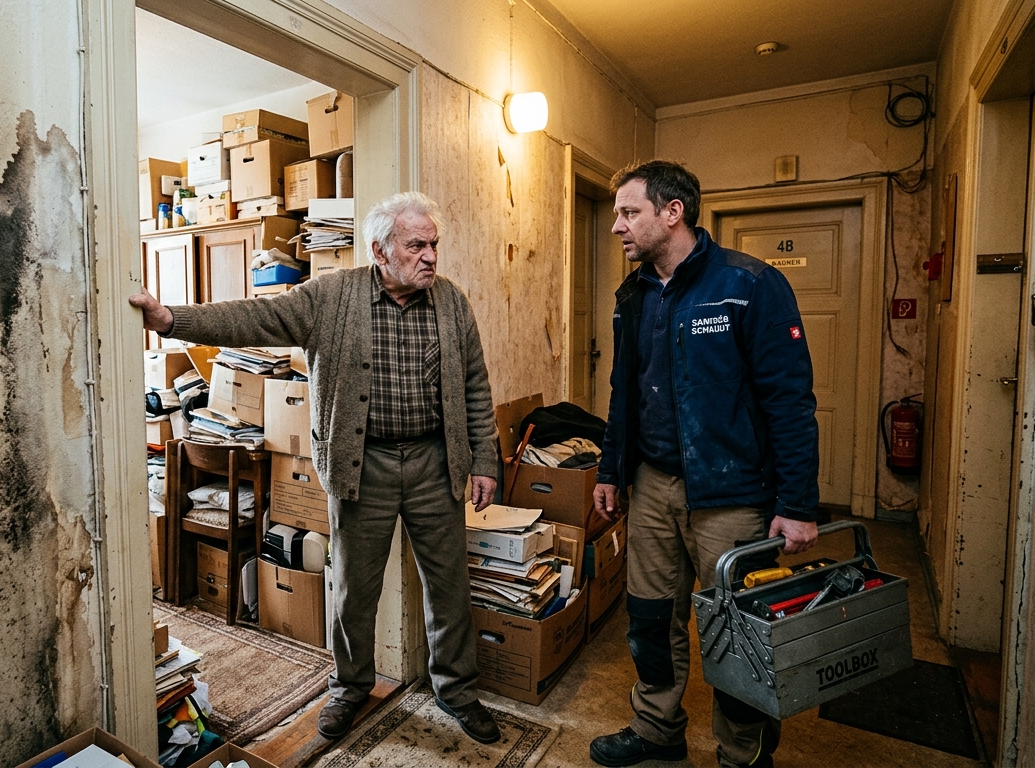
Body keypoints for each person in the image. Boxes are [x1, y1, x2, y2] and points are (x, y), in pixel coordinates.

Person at [129, 192, 503, 745]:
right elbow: (254, 317)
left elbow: (475, 386)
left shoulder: (451, 303)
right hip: (362, 465)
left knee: (447, 586)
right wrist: (171, 319)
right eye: (417, 245)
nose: (430, 256)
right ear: (379, 250)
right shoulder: (332, 296)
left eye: (434, 245)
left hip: (433, 463)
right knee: (354, 588)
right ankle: (350, 687)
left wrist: (485, 460)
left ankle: (457, 689)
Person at [590, 161, 820, 768]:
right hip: (654, 487)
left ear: (674, 212)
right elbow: (624, 392)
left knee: (738, 631)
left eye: (628, 212)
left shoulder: (750, 284)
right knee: (649, 619)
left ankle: (742, 754)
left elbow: (789, 402)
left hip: (733, 497)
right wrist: (612, 470)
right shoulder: (633, 295)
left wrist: (796, 505)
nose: (617, 226)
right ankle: (657, 727)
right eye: (617, 213)